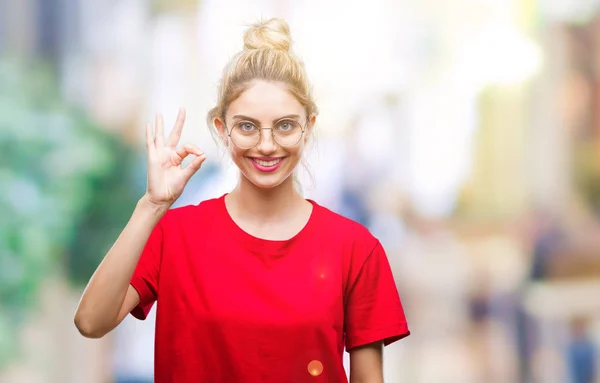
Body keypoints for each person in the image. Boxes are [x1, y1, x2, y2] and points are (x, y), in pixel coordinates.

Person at [74, 17, 409, 382]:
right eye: (247, 126)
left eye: (285, 125)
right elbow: (91, 321)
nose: (266, 145)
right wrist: (152, 205)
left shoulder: (355, 250)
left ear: (309, 127)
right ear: (222, 129)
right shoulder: (174, 235)